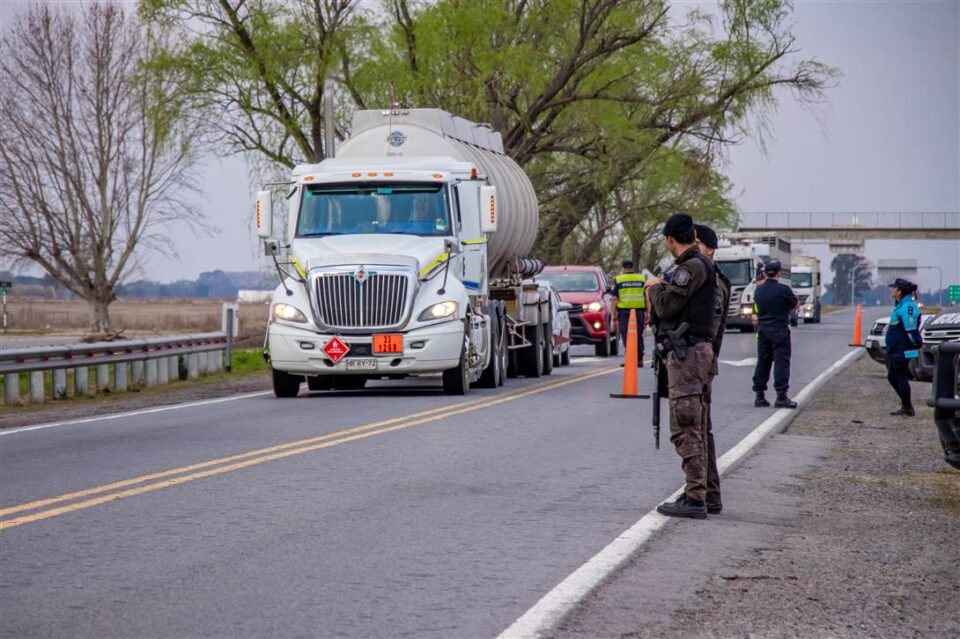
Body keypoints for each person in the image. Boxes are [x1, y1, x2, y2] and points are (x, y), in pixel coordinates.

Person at [646, 213, 718, 520]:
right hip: (696, 353)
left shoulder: (690, 268)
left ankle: (695, 497)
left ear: (670, 239)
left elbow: (665, 307)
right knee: (698, 425)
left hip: (687, 355)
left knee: (686, 424)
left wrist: (653, 288)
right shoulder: (701, 266)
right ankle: (707, 493)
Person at [694, 223, 730, 514]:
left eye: (697, 243)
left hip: (701, 362)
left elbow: (711, 327)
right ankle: (710, 493)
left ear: (709, 247)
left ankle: (706, 493)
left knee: (699, 428)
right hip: (705, 361)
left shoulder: (712, 282)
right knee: (701, 428)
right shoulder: (707, 276)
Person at [751, 260, 799, 409]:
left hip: (763, 330)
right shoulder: (783, 290)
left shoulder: (758, 290)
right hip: (779, 330)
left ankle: (759, 396)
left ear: (765, 273)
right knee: (781, 362)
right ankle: (781, 396)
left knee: (763, 362)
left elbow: (757, 307)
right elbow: (795, 304)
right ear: (779, 273)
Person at [885, 278, 922, 416]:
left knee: (899, 376)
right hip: (896, 348)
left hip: (903, 349)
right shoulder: (900, 305)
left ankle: (907, 407)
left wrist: (917, 344)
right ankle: (906, 405)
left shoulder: (907, 307)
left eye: (893, 288)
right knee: (892, 376)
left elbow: (911, 329)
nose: (891, 290)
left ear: (899, 291)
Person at [612, 259, 647, 367]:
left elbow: (614, 299)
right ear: (633, 267)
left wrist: (613, 315)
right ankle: (640, 359)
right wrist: (648, 312)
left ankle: (630, 359)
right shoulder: (641, 279)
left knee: (626, 335)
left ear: (623, 268)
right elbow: (647, 297)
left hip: (624, 312)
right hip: (639, 311)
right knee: (638, 335)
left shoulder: (619, 279)